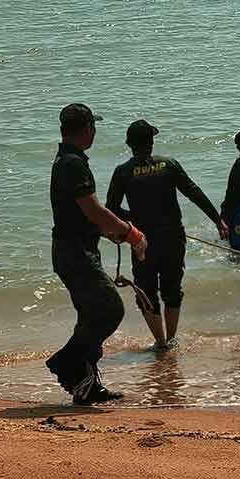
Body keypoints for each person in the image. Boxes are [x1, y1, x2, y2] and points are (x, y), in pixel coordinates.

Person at [46, 103, 148, 405]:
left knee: (91, 315)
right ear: (88, 129)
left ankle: (86, 385)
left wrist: (108, 231)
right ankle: (67, 362)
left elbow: (82, 215)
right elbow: (93, 209)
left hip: (73, 249)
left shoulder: (67, 160)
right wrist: (131, 233)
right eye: (94, 127)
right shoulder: (73, 164)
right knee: (109, 309)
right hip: (75, 253)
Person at [107, 119, 229, 350]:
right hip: (173, 236)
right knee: (172, 289)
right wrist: (217, 220)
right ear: (151, 143)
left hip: (141, 240)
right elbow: (194, 192)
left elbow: (111, 208)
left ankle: (160, 342)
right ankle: (171, 340)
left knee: (146, 289)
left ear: (129, 144)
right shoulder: (169, 165)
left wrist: (132, 217)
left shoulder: (123, 172)